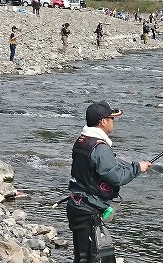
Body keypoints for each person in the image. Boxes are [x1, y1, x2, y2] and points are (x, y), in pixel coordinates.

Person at [67, 101, 151, 263]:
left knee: (81, 255)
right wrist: (138, 167)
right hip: (88, 210)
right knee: (92, 257)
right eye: (112, 118)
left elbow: (96, 170)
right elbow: (116, 177)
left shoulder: (82, 141)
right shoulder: (100, 148)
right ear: (103, 121)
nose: (113, 122)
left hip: (76, 205)